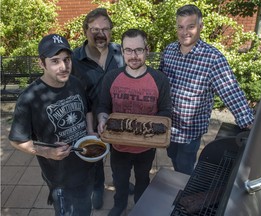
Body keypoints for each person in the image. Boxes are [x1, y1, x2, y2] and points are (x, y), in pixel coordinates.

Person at [159, 4, 254, 175]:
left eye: (191, 26)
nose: (184, 32)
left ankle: (185, 196)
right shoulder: (169, 51)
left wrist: (249, 122)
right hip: (168, 126)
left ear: (200, 27)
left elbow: (230, 91)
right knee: (173, 159)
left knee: (185, 168)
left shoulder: (213, 58)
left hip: (190, 131)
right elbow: (160, 82)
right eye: (180, 27)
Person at [8, 34, 95, 215]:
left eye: (67, 59)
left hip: (86, 167)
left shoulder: (75, 83)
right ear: (42, 63)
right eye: (55, 61)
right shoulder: (29, 98)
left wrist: (90, 131)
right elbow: (17, 140)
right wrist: (47, 152)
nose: (64, 67)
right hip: (60, 177)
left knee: (85, 209)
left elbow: (87, 109)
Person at [97, 29, 172, 216]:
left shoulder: (159, 79)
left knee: (143, 179)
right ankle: (119, 205)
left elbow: (165, 111)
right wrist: (101, 118)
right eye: (128, 50)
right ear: (122, 52)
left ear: (147, 50)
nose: (134, 55)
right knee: (120, 180)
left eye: (139, 50)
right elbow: (103, 105)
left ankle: (140, 206)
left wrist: (158, 132)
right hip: (119, 147)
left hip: (146, 148)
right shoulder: (111, 77)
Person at [71, 8, 134, 210]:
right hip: (89, 120)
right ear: (85, 31)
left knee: (120, 156)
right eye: (95, 29)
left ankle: (121, 182)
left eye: (105, 29)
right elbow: (75, 93)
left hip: (118, 118)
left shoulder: (121, 53)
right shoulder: (74, 60)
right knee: (94, 159)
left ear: (111, 31)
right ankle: (97, 187)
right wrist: (90, 125)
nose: (100, 34)